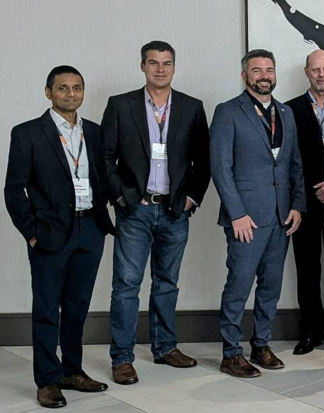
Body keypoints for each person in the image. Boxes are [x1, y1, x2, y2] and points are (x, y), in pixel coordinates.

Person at [101, 41, 210, 385]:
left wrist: (191, 198)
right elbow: (105, 156)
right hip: (136, 209)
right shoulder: (121, 105)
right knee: (126, 285)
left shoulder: (191, 107)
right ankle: (122, 357)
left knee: (167, 283)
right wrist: (121, 197)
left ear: (174, 67)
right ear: (142, 66)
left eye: (166, 63)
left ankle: (165, 347)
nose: (160, 69)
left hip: (175, 210)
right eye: (153, 63)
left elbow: (203, 159)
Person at [6, 65, 115, 408]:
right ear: (48, 92)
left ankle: (72, 371)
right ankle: (48, 380)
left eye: (77, 87)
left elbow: (104, 178)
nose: (71, 93)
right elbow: (13, 189)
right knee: (46, 309)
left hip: (90, 229)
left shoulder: (94, 132)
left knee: (77, 306)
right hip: (50, 234)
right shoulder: (27, 133)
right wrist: (32, 233)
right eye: (63, 87)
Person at [209, 49, 306, 378]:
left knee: (271, 285)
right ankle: (231, 352)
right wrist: (236, 213)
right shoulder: (228, 112)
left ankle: (261, 343)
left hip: (281, 216)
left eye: (269, 70)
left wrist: (297, 205)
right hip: (246, 218)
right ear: (244, 76)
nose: (264, 75)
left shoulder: (286, 112)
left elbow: (294, 164)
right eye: (257, 70)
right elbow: (220, 168)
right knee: (239, 285)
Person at [285, 49, 324, 356]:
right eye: (315, 69)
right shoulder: (289, 110)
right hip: (305, 203)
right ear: (307, 73)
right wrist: (304, 195)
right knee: (307, 269)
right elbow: (287, 159)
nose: (321, 74)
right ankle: (310, 331)